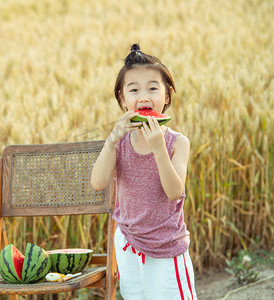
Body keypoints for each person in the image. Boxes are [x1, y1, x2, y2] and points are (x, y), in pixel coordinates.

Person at [91, 44, 197, 300]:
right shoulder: (120, 143)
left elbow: (174, 192)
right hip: (128, 244)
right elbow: (98, 182)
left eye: (152, 88)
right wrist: (111, 141)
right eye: (134, 89)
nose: (144, 96)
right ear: (122, 98)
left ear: (167, 95)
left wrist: (159, 149)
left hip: (166, 247)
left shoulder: (177, 143)